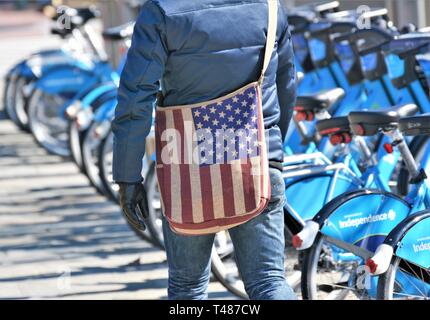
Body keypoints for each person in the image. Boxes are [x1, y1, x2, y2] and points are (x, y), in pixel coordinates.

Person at [112, 0, 297, 300]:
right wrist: (273, 155)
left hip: (186, 165)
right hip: (256, 160)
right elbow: (286, 84)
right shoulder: (270, 7)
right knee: (269, 281)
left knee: (188, 288)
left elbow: (135, 98)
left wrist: (127, 176)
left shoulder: (161, 11)